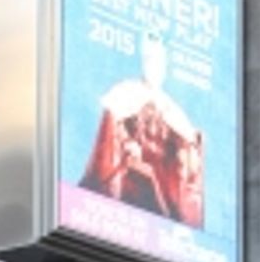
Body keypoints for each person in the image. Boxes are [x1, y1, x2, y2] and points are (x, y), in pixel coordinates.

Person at [79, 34, 204, 226]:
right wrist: (128, 145)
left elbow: (188, 174)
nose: (153, 67)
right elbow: (110, 135)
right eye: (149, 60)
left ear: (165, 66)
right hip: (126, 189)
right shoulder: (125, 92)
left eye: (158, 61)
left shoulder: (174, 110)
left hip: (159, 204)